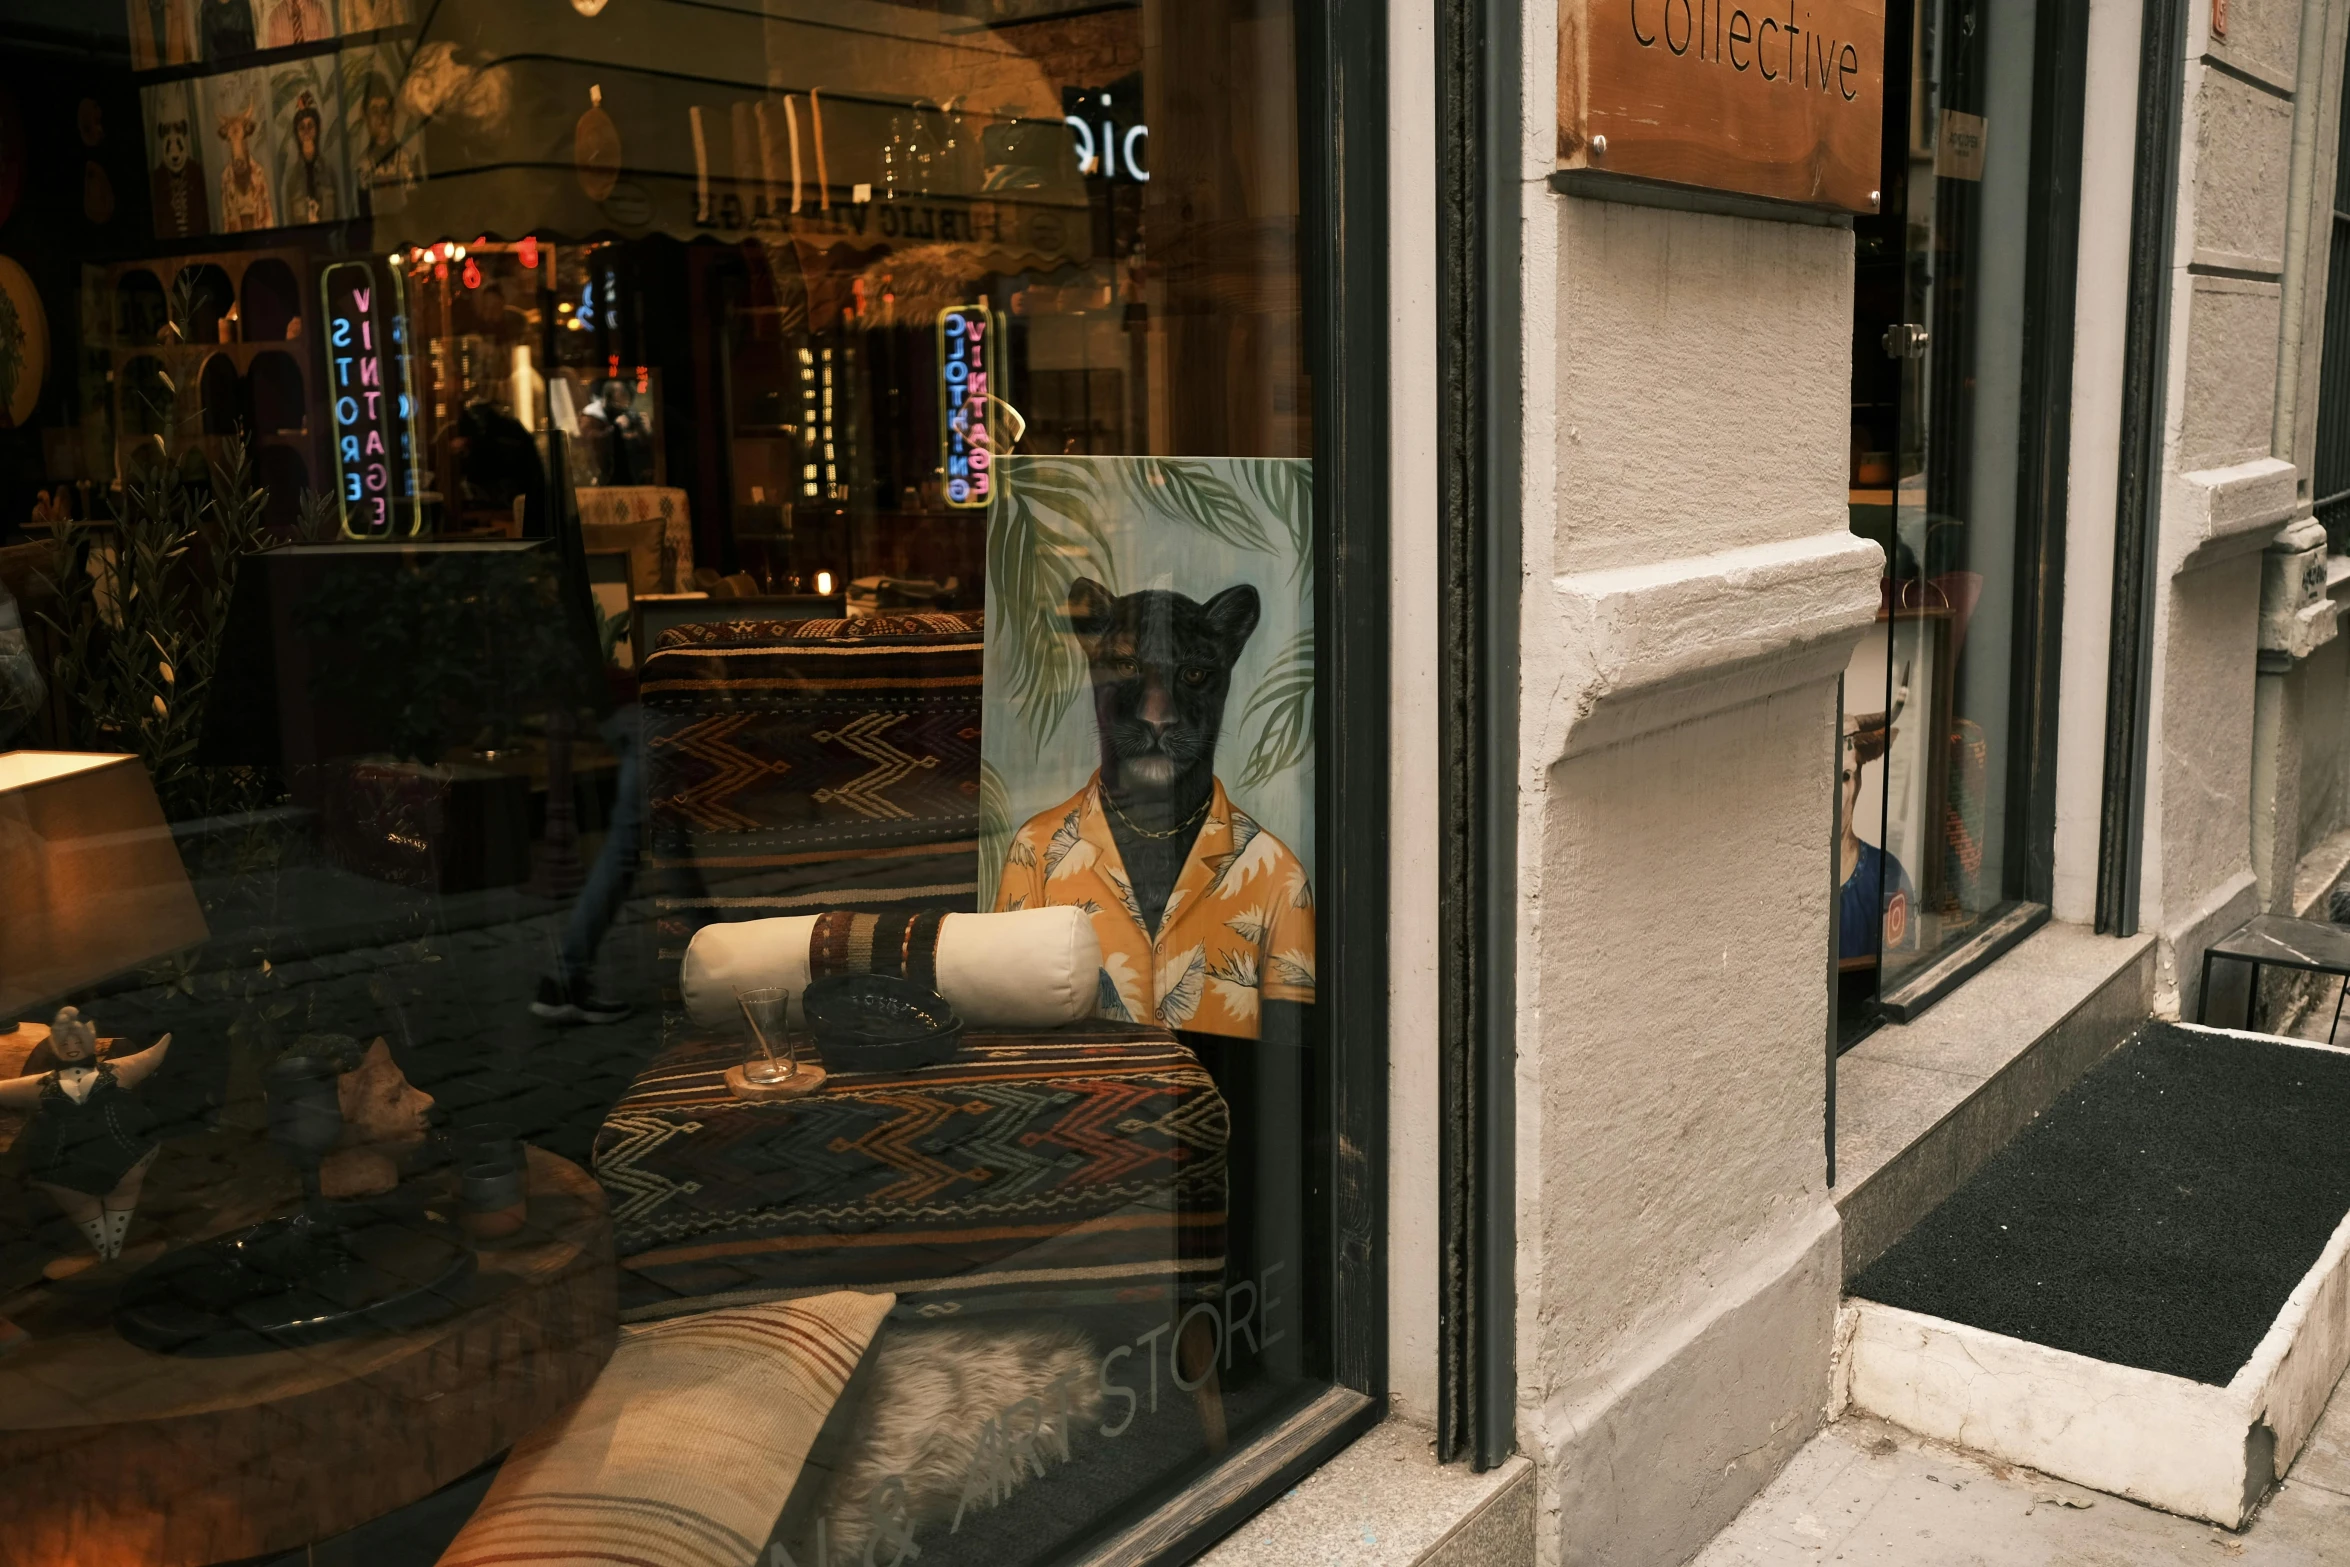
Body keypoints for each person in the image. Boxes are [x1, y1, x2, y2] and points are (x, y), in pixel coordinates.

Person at [0, 1010, 174, 1270]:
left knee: (116, 1198)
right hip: (78, 1166)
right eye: (65, 1043)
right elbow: (150, 1058)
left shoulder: (109, 1073)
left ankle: (111, 1248)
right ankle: (106, 1249)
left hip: (120, 1156)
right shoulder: (47, 1084)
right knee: (90, 1205)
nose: (72, 1048)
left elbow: (150, 1057)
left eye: (77, 1042)